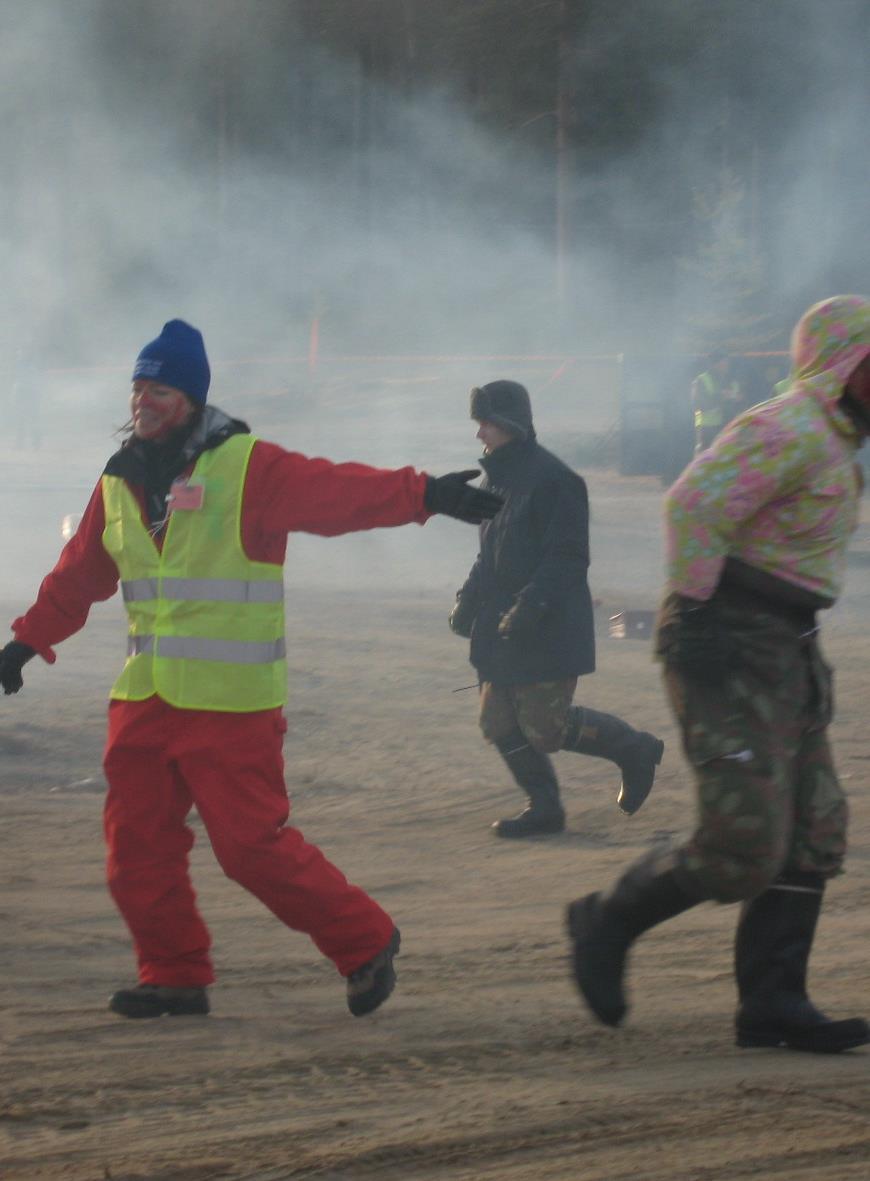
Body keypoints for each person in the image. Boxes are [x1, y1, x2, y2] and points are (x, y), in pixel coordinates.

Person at [0, 319, 502, 1020]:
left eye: (162, 387)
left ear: (193, 397)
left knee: (250, 850)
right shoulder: (117, 480)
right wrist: (26, 643)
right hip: (144, 701)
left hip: (231, 705)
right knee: (135, 849)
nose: (145, 398)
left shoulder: (245, 465)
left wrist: (425, 495)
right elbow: (80, 573)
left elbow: (335, 495)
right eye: (139, 384)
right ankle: (173, 974)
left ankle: (365, 938)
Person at [566, 296, 870, 1054]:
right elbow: (693, 505)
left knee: (813, 826)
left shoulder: (834, 439)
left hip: (788, 643)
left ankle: (773, 1003)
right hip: (729, 637)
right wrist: (693, 612)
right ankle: (608, 919)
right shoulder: (791, 426)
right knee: (743, 840)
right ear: (842, 363)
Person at [448, 379, 664, 838]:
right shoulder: (496, 481)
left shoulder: (557, 481)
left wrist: (532, 604)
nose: (479, 433)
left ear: (510, 424)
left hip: (546, 620)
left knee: (545, 728)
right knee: (497, 721)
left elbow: (568, 556)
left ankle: (636, 749)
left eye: (485, 423)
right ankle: (545, 809)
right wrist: (468, 598)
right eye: (478, 423)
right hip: (501, 622)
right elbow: (488, 554)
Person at [690, 349, 743, 452]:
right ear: (714, 364)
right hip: (707, 430)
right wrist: (721, 397)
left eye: (727, 362)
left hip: (728, 427)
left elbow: (740, 405)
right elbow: (698, 405)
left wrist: (738, 399)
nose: (726, 365)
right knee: (708, 461)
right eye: (724, 362)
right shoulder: (701, 380)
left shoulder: (731, 381)